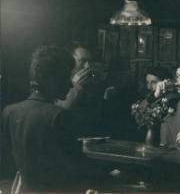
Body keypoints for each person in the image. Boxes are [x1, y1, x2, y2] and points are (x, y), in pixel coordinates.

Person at [1, 46, 98, 192]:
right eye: (66, 77)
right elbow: (73, 170)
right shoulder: (60, 116)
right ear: (51, 79)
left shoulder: (9, 112)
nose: (70, 83)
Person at [56, 41, 107, 136]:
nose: (87, 66)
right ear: (69, 61)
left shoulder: (92, 84)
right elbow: (60, 112)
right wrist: (76, 86)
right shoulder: (58, 82)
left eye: (90, 61)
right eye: (82, 61)